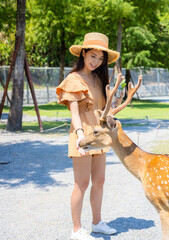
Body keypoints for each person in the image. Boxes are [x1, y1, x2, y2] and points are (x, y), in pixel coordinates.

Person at [56, 32, 119, 240]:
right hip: (82, 136)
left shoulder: (99, 79)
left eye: (100, 58)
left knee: (99, 182)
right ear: (83, 53)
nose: (96, 61)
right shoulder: (73, 79)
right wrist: (81, 137)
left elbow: (104, 109)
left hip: (99, 136)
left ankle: (97, 223)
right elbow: (75, 114)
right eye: (93, 55)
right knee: (81, 184)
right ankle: (76, 229)